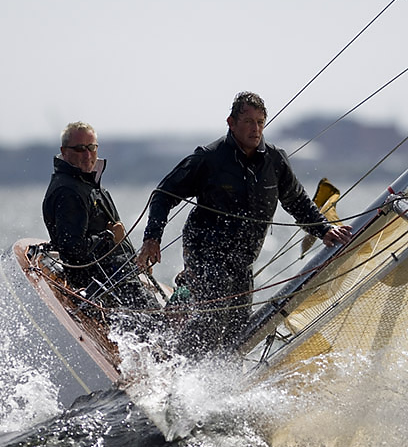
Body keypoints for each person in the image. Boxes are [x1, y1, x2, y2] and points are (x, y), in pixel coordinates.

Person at [136, 92, 352, 353]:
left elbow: (297, 201)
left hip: (242, 260)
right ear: (231, 122)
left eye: (260, 122)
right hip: (206, 253)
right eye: (248, 121)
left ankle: (218, 383)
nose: (256, 128)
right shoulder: (210, 158)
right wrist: (152, 238)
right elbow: (163, 194)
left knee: (236, 333)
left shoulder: (275, 161)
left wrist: (324, 230)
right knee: (211, 322)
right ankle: (184, 375)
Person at [43, 121, 156, 309]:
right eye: (80, 149)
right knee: (158, 320)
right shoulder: (69, 191)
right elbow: (72, 249)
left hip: (116, 274)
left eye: (92, 148)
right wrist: (109, 236)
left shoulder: (88, 184)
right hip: (99, 284)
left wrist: (134, 259)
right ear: (64, 151)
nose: (88, 155)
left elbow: (113, 232)